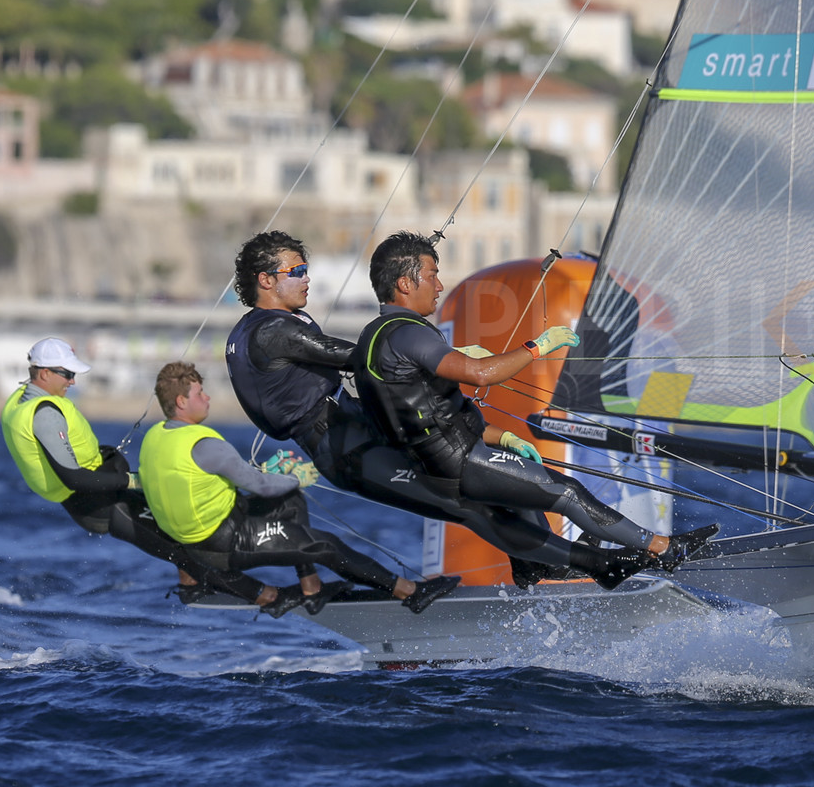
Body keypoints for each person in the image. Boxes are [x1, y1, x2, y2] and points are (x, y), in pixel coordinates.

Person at [223, 230, 642, 588]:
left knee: (482, 489)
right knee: (465, 503)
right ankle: (582, 564)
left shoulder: (254, 329)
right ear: (265, 280)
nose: (306, 279)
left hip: (359, 436)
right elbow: (365, 356)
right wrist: (444, 356)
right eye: (295, 272)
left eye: (305, 269)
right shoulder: (273, 330)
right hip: (346, 451)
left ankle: (535, 562)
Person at [353, 231, 716, 587]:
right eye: (432, 276)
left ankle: (531, 566)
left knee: (521, 495)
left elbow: (430, 416)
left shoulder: (374, 335)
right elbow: (480, 374)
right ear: (404, 283)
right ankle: (664, 548)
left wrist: (503, 436)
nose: (440, 285)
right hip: (458, 461)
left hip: (434, 464)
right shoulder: (409, 332)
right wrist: (538, 346)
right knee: (567, 493)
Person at [139, 361, 459, 615]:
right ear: (182, 401)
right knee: (325, 545)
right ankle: (411, 592)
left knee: (289, 500)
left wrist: (282, 483)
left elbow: (184, 482)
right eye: (199, 393)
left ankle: (310, 587)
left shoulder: (155, 438)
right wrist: (297, 477)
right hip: (223, 543)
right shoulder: (205, 444)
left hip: (197, 538)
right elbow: (261, 486)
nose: (206, 397)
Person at [0, 337, 286, 613]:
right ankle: (264, 595)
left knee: (179, 519)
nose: (72, 381)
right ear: (45, 373)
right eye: (67, 374)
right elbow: (75, 479)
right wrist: (132, 480)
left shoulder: (20, 400)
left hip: (103, 491)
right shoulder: (45, 413)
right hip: (99, 504)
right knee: (182, 547)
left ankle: (191, 582)